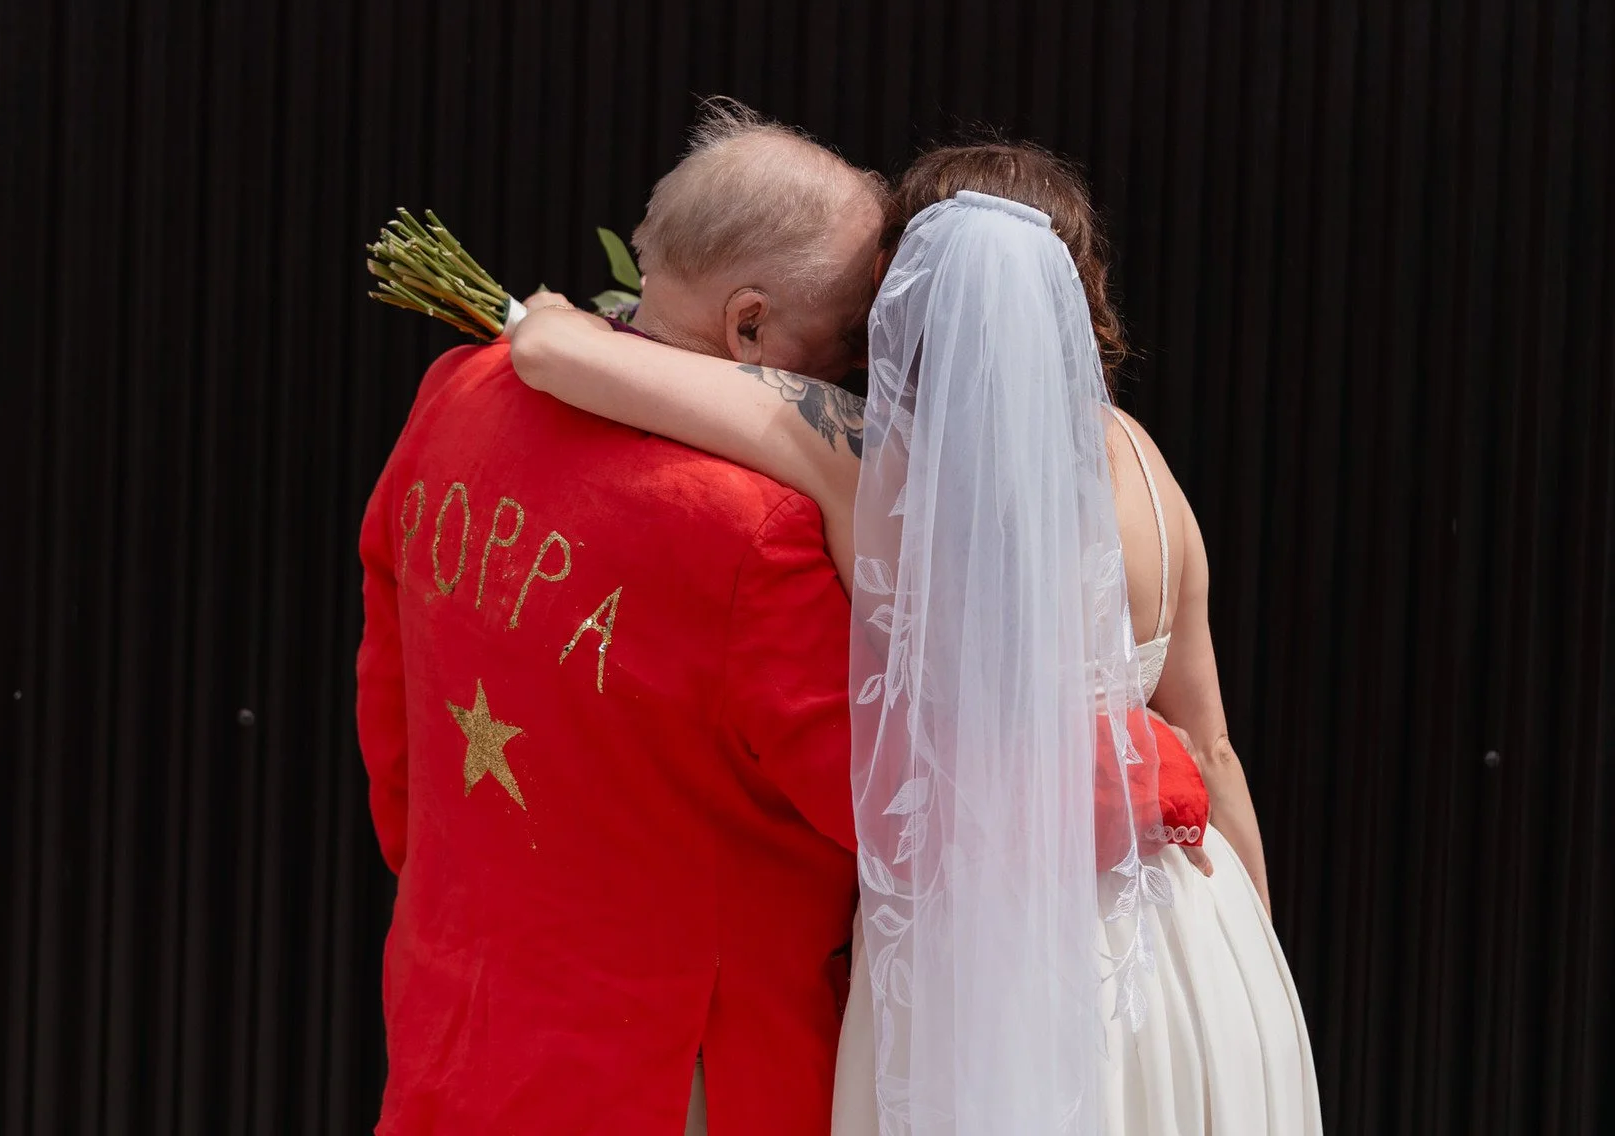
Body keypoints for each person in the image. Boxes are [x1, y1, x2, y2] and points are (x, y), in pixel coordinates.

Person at [508, 142, 1320, 1133]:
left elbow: (556, 357)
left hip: (976, 957)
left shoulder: (860, 462)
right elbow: (1214, 749)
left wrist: (533, 312)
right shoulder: (1146, 469)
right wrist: (1251, 967)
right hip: (1185, 933)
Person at [353, 102, 886, 1134]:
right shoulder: (753, 529)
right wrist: (1142, 764)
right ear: (751, 325)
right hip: (665, 1072)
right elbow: (882, 801)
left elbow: (393, 710)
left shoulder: (459, 390)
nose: (853, 374)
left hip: (459, 1001)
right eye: (846, 343)